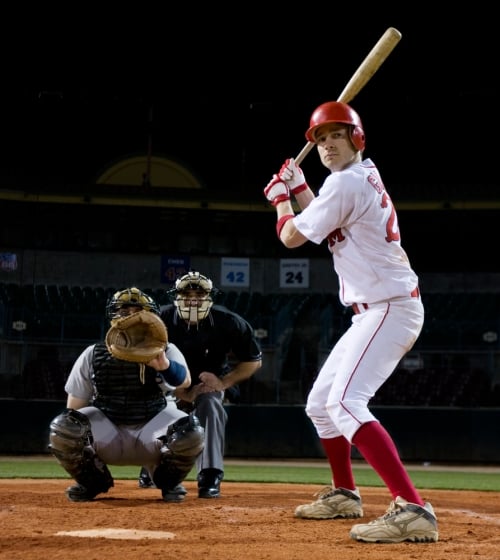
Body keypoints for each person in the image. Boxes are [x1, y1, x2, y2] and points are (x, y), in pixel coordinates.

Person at [263, 101, 438, 543]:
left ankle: (412, 507)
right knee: (320, 406)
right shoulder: (353, 181)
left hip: (389, 307)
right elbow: (329, 227)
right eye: (320, 139)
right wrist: (301, 189)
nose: (325, 146)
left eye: (335, 136)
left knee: (344, 403)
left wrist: (281, 199)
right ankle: (345, 493)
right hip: (376, 310)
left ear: (356, 138)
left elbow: (291, 236)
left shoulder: (345, 183)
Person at [48, 287, 205, 503]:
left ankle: (167, 481)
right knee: (64, 427)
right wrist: (76, 441)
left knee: (191, 430)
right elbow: (74, 408)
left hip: (152, 430)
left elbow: (184, 381)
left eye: (137, 311)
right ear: (113, 316)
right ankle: (92, 482)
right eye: (124, 311)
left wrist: (164, 365)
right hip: (109, 432)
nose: (130, 316)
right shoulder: (93, 353)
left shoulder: (164, 349)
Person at [138, 271, 262, 498]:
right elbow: (143, 360)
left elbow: (253, 361)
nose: (193, 299)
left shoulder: (228, 322)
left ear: (209, 296)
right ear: (176, 296)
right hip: (166, 382)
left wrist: (224, 382)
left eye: (199, 293)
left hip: (208, 383)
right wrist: (179, 390)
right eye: (187, 293)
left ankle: (210, 474)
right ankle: (154, 463)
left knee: (211, 404)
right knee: (151, 402)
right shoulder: (159, 320)